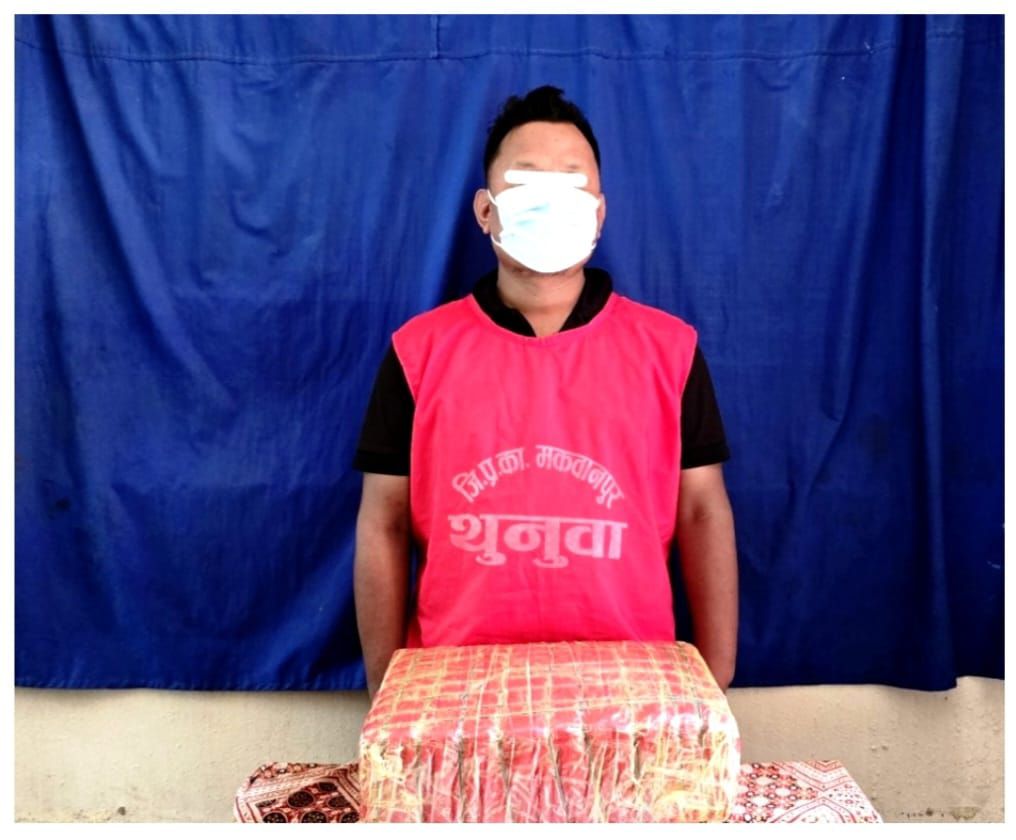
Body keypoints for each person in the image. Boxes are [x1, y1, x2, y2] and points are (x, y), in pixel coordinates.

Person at [353, 86, 737, 699]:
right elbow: (384, 521)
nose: (550, 200)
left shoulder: (671, 350)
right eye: (527, 181)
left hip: (631, 686)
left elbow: (702, 511)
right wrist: (386, 683)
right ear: (485, 210)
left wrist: (715, 674)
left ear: (600, 212)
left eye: (571, 182)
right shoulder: (416, 352)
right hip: (455, 685)